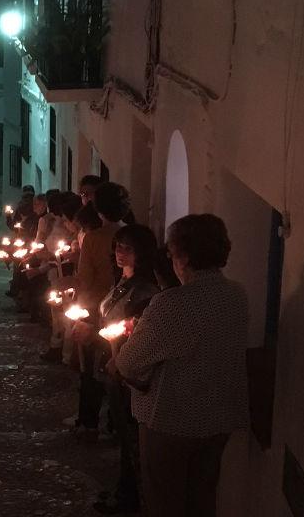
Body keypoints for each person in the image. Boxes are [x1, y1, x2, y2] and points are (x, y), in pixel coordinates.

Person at [114, 214, 249, 517]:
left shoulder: (174, 303)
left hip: (173, 420)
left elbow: (128, 361)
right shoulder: (237, 295)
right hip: (219, 418)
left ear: (184, 257)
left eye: (172, 252)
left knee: (165, 501)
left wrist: (127, 341)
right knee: (203, 498)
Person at [91, 225, 161, 515]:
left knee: (132, 439)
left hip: (128, 372)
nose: (120, 252)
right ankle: (124, 491)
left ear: (142, 252)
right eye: (118, 246)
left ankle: (130, 498)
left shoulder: (146, 291)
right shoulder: (122, 282)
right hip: (113, 366)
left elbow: (139, 333)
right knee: (122, 433)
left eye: (128, 248)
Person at [63, 182, 131, 437]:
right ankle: (116, 424)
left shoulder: (93, 238)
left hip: (96, 309)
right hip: (125, 311)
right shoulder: (134, 234)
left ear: (98, 209)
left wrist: (74, 305)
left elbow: (85, 279)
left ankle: (88, 422)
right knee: (119, 366)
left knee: (90, 367)